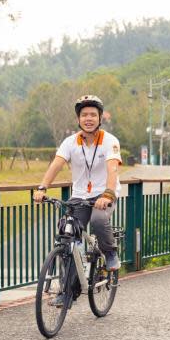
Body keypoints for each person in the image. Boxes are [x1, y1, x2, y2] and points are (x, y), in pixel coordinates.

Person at [34, 95, 122, 271]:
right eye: (84, 115)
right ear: (78, 119)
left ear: (99, 118)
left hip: (103, 194)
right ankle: (66, 288)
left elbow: (112, 169)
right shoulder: (70, 142)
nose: (88, 118)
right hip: (80, 195)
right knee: (66, 231)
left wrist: (108, 194)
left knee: (98, 220)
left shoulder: (109, 141)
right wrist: (42, 188)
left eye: (92, 115)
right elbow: (56, 164)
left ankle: (110, 252)